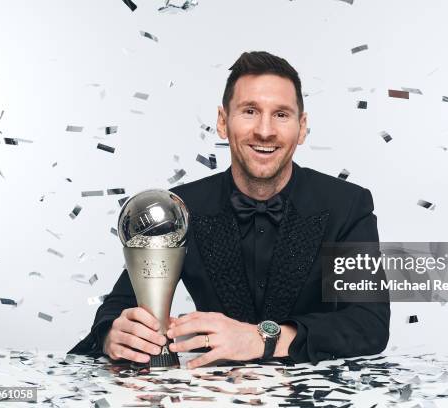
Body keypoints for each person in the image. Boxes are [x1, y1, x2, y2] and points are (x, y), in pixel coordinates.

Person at [69, 51, 390, 367]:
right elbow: (116, 310)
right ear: (223, 122)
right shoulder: (178, 208)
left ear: (302, 127)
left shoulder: (347, 205)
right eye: (250, 111)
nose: (265, 130)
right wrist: (114, 334)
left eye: (281, 114)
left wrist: (261, 339)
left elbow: (368, 324)